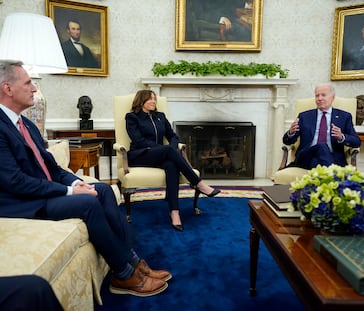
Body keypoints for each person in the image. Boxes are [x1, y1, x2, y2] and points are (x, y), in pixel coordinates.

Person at [0, 60, 170, 297]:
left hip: (42, 190)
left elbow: (51, 166)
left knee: (102, 190)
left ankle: (132, 261)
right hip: (22, 201)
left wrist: (74, 182)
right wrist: (69, 192)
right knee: (87, 203)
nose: (34, 88)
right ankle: (123, 274)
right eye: (28, 82)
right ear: (8, 88)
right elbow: (14, 181)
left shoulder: (25, 124)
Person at [125, 89, 221, 231]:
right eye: (150, 99)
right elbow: (138, 140)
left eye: (154, 99)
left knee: (171, 165)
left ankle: (174, 212)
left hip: (160, 155)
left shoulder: (160, 116)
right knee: (169, 151)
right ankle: (198, 183)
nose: (153, 101)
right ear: (141, 101)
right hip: (140, 155)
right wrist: (165, 149)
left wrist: (172, 147)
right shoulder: (132, 117)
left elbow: (173, 136)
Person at [283, 83, 361, 170]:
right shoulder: (304, 116)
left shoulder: (344, 116)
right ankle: (335, 174)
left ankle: (326, 176)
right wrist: (290, 133)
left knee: (316, 163)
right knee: (321, 146)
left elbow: (356, 141)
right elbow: (287, 141)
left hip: (333, 157)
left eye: (323, 95)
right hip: (306, 156)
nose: (319, 98)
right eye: (317, 96)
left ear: (332, 97)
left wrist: (341, 137)